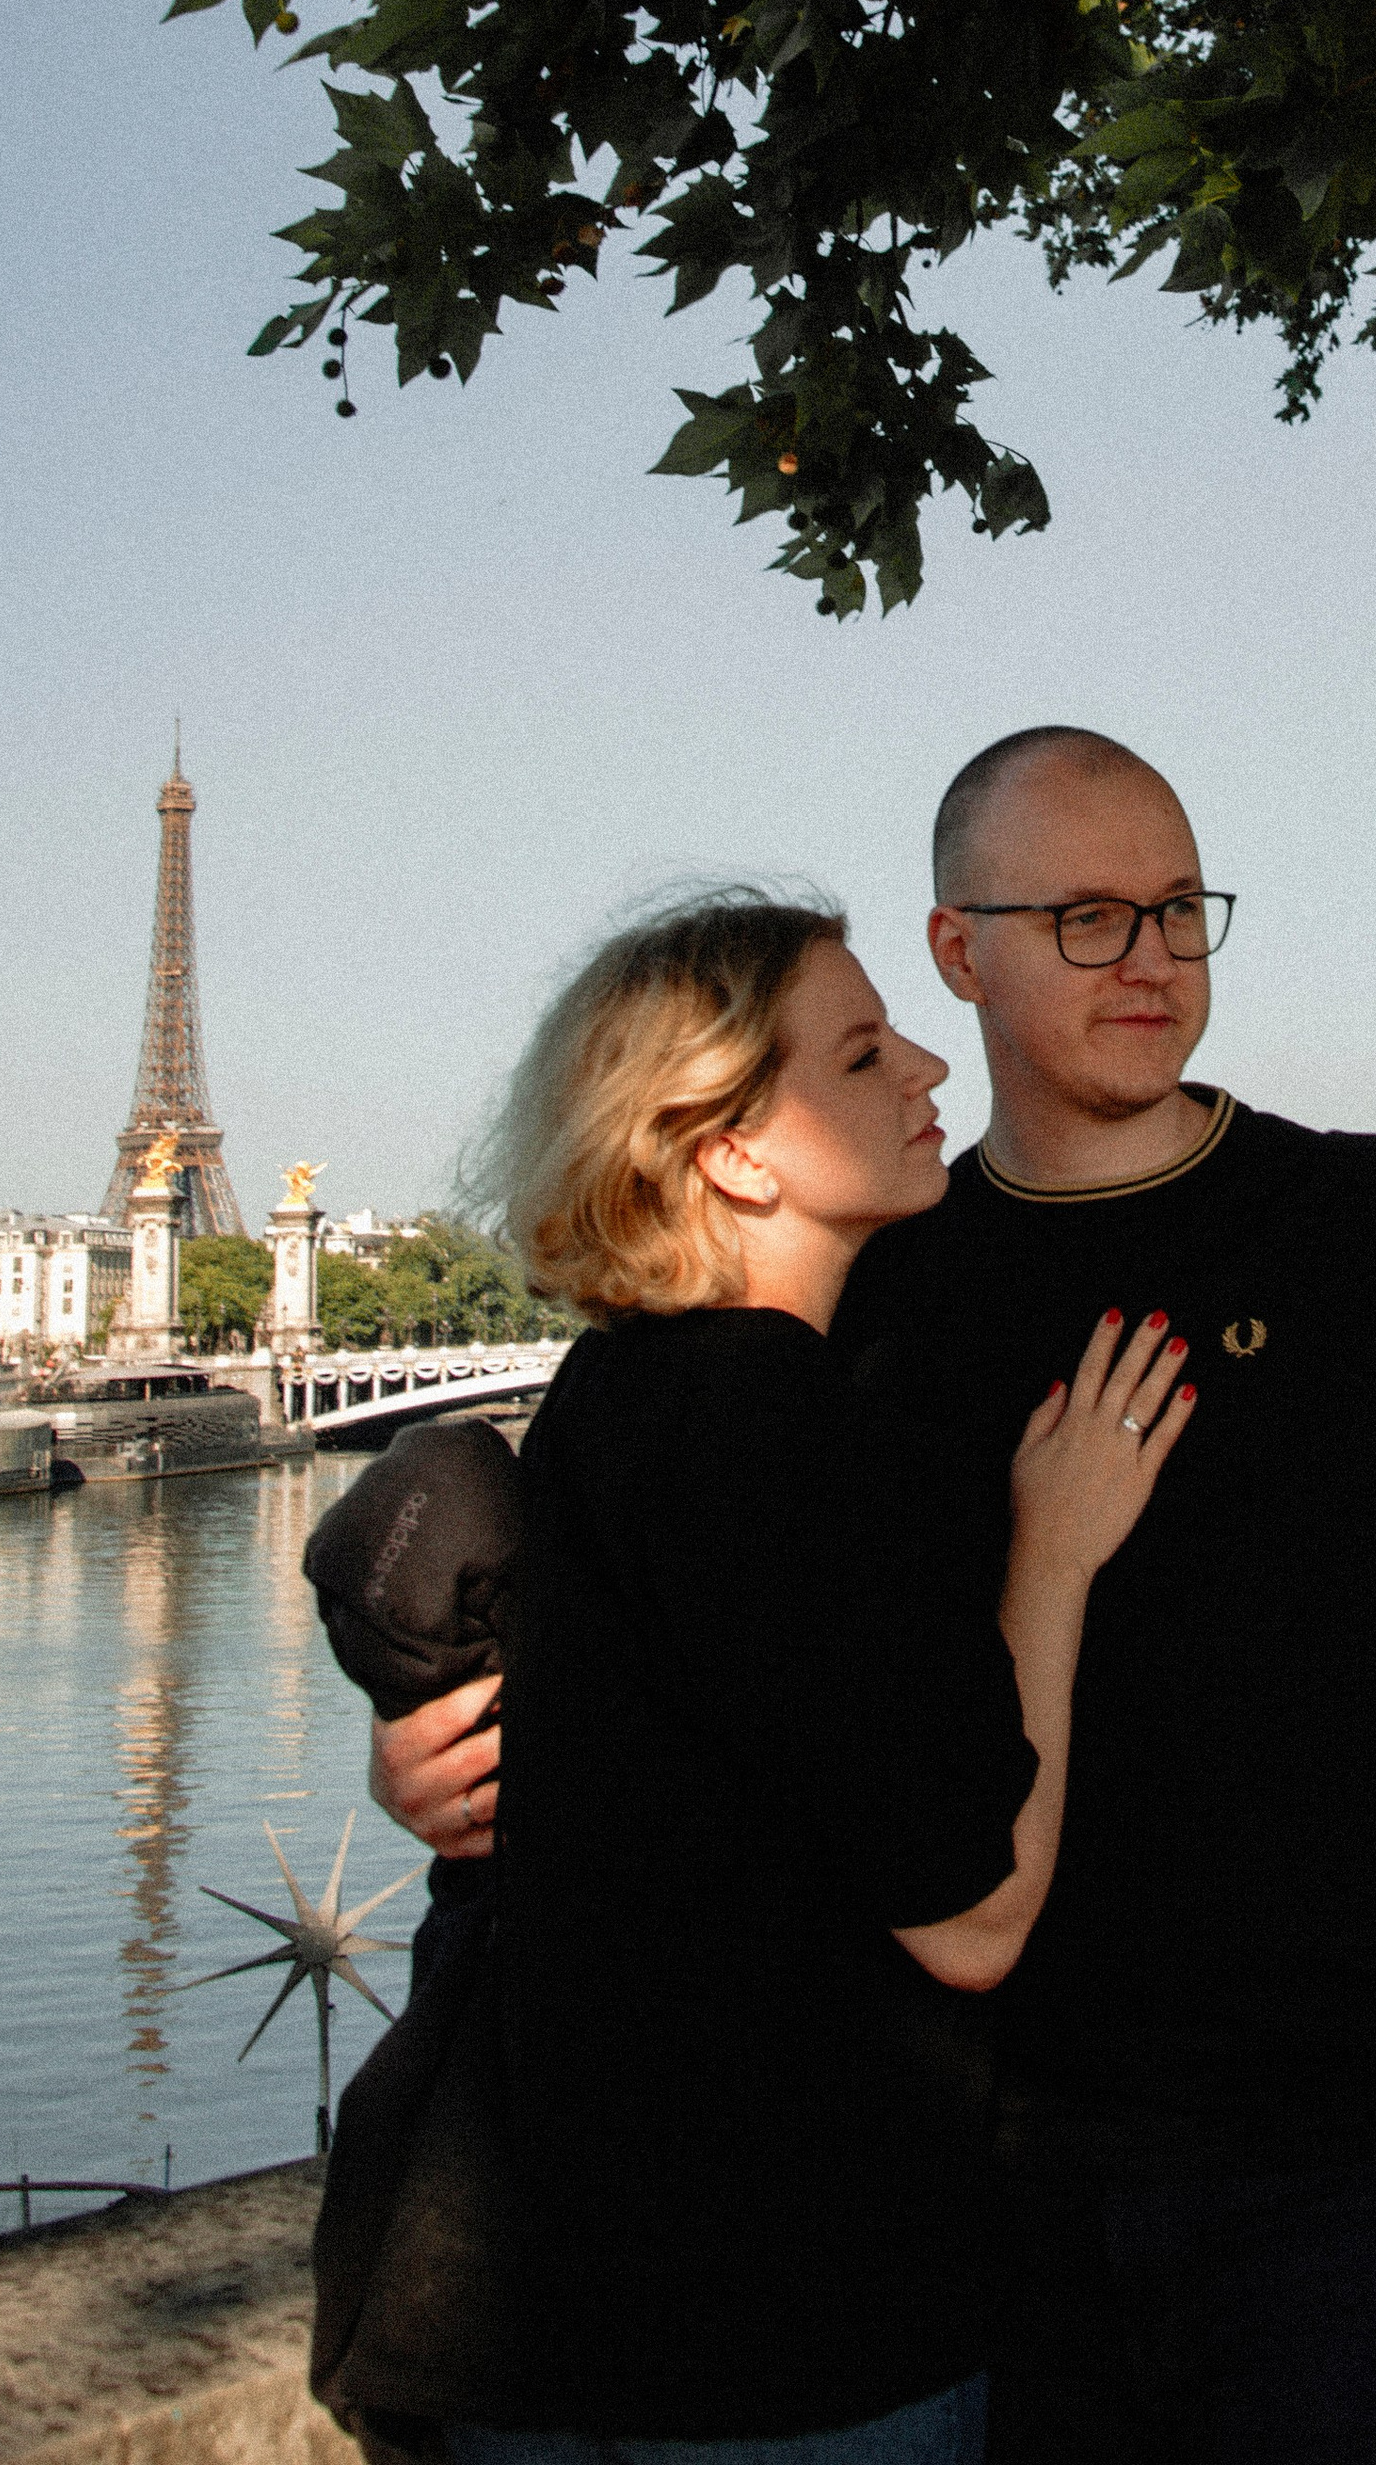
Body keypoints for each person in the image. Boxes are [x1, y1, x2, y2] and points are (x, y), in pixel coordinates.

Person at [379, 737, 1376, 2465]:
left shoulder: (1362, 1219)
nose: (1151, 956)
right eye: (1086, 918)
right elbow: (679, 1626)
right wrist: (461, 1752)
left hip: (1354, 2151)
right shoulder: (855, 1281)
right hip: (983, 2176)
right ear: (959, 953)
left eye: (1176, 909)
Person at [442, 889, 1193, 2465]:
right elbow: (975, 1919)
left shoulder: (612, 1395)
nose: (930, 1065)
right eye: (861, 1055)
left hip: (588, 2318)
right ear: (730, 1149)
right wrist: (1051, 1555)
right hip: (796, 2338)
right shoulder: (783, 1437)